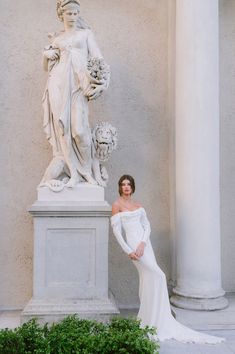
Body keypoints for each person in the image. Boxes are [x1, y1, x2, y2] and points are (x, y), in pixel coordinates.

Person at [111, 175, 225, 344]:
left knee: (150, 278)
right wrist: (129, 250)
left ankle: (151, 318)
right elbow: (117, 232)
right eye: (123, 184)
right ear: (120, 187)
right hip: (133, 248)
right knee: (158, 276)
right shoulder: (117, 205)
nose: (126, 187)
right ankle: (154, 317)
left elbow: (147, 226)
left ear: (132, 187)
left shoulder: (138, 206)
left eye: (128, 184)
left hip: (145, 246)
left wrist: (143, 243)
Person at [42, 0, 109, 188]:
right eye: (68, 13)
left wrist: (103, 83)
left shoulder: (86, 34)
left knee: (79, 130)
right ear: (61, 15)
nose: (72, 17)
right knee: (63, 129)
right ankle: (73, 174)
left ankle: (87, 174)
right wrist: (45, 56)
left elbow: (98, 59)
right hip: (58, 84)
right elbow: (47, 67)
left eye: (75, 13)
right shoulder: (57, 39)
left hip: (79, 85)